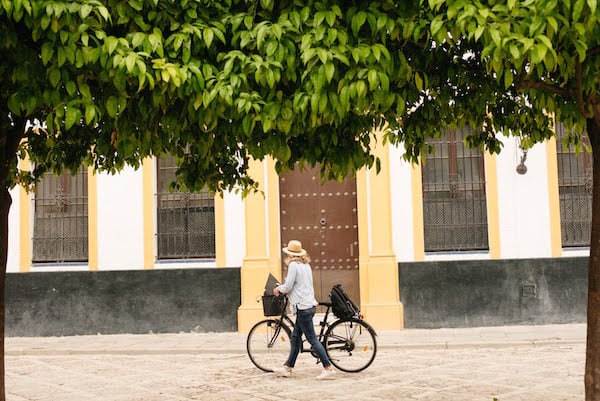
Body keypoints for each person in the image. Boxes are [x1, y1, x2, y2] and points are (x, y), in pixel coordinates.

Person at [272, 239, 336, 380]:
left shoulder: (294, 265)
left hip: (302, 306)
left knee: (312, 339)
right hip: (308, 305)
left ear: (290, 254)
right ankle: (288, 368)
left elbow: (289, 286)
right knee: (295, 338)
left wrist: (278, 289)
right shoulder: (306, 265)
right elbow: (298, 284)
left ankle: (328, 368)